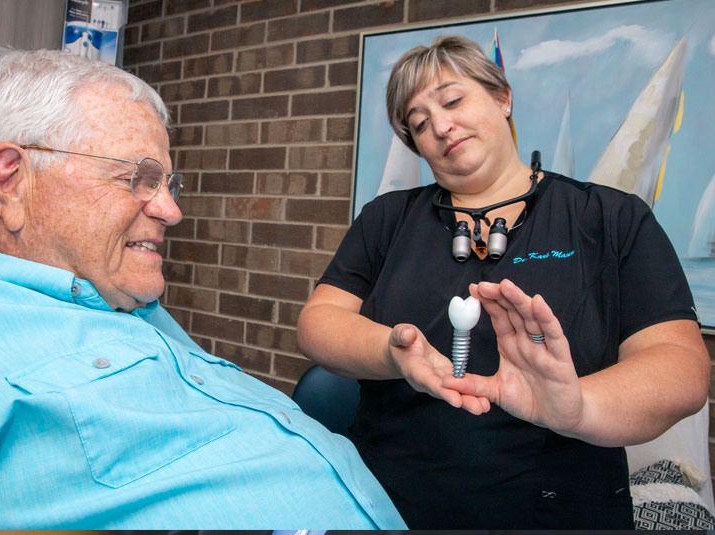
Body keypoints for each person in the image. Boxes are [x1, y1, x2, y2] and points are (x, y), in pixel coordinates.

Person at [0, 49, 406, 530]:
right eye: (140, 178)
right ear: (12, 180)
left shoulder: (132, 303)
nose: (171, 211)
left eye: (169, 183)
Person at [296, 35, 710, 529]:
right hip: (388, 502)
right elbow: (318, 323)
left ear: (502, 97)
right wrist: (391, 350)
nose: (441, 126)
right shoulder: (387, 218)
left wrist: (575, 407)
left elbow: (681, 368)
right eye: (420, 123)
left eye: (453, 100)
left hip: (557, 507)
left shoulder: (609, 217)